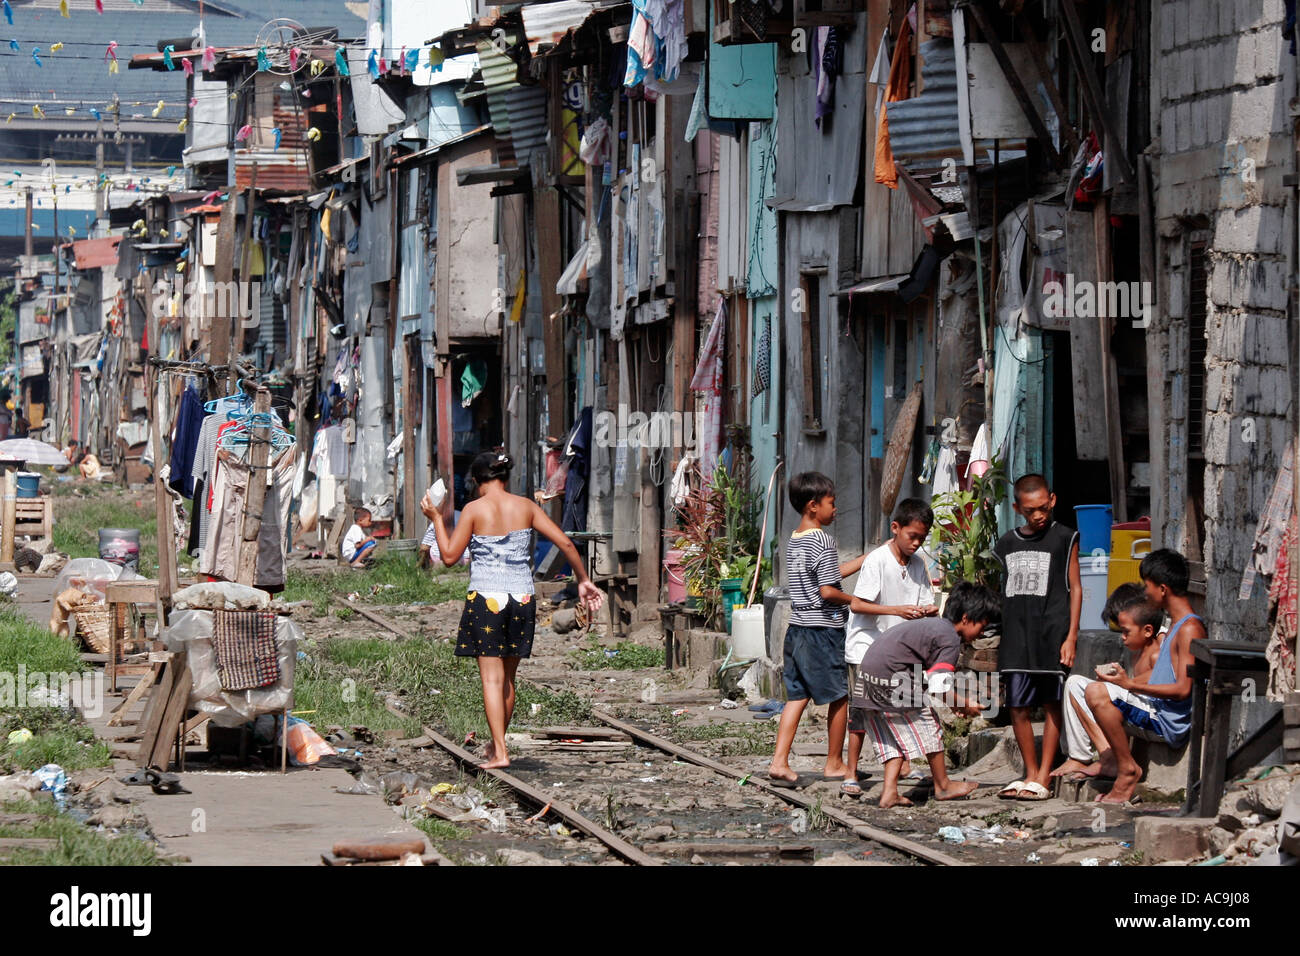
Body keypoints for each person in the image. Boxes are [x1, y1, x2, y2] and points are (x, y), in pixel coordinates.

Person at [422, 451, 603, 770]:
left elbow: (449, 556)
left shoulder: (475, 510)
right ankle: (497, 744)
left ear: (478, 482)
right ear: (504, 478)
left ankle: (501, 751)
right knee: (508, 679)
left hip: (487, 599)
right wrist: (584, 580)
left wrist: (437, 518)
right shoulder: (527, 507)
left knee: (491, 680)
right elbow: (567, 544)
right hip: (522, 599)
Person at [852, 580, 999, 807]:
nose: (981, 634)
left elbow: (930, 679)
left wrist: (956, 703)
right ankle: (943, 785)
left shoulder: (934, 627)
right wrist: (964, 703)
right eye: (982, 625)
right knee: (930, 724)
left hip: (868, 678)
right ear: (966, 618)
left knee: (892, 738)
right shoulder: (949, 637)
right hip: (891, 677)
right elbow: (939, 686)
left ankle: (889, 792)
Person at [766, 472, 864, 788]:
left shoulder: (794, 538)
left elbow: (827, 574)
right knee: (840, 696)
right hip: (822, 630)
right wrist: (856, 601)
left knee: (797, 696)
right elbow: (828, 590)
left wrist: (864, 559)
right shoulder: (822, 539)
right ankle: (834, 762)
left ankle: (779, 761)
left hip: (796, 630)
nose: (835, 510)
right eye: (831, 503)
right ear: (813, 506)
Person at [1087, 549, 1205, 804]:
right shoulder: (1176, 624)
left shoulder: (1189, 628)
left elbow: (1184, 690)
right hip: (1155, 708)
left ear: (1162, 589)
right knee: (1083, 687)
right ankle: (1117, 763)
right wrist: (1124, 682)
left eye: (1147, 585)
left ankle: (1127, 770)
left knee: (1096, 692)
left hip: (1166, 721)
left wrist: (1129, 685)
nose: (1145, 592)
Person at [841, 497, 939, 798]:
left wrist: (926, 613)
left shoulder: (919, 564)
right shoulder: (877, 560)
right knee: (861, 713)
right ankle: (850, 773)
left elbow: (925, 602)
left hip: (901, 650)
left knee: (903, 709)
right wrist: (897, 611)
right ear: (895, 528)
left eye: (922, 538)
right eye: (912, 536)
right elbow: (857, 605)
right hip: (866, 649)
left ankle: (900, 770)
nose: (916, 543)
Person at [993, 473, 1081, 801]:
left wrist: (1071, 636)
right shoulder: (1007, 543)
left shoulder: (1065, 538)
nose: (1039, 515)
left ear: (1053, 500)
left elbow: (1076, 588)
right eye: (1031, 511)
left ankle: (1044, 775)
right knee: (1017, 705)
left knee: (1050, 703)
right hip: (1017, 635)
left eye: (1043, 508)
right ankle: (1028, 773)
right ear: (1018, 508)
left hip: (1052, 632)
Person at [1054, 583, 1166, 782]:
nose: (1122, 637)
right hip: (1135, 702)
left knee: (1098, 692)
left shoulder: (1159, 644)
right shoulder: (1136, 644)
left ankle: (1118, 762)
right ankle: (1088, 756)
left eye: (1125, 630)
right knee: (1074, 683)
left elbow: (1160, 678)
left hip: (1152, 714)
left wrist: (1123, 683)